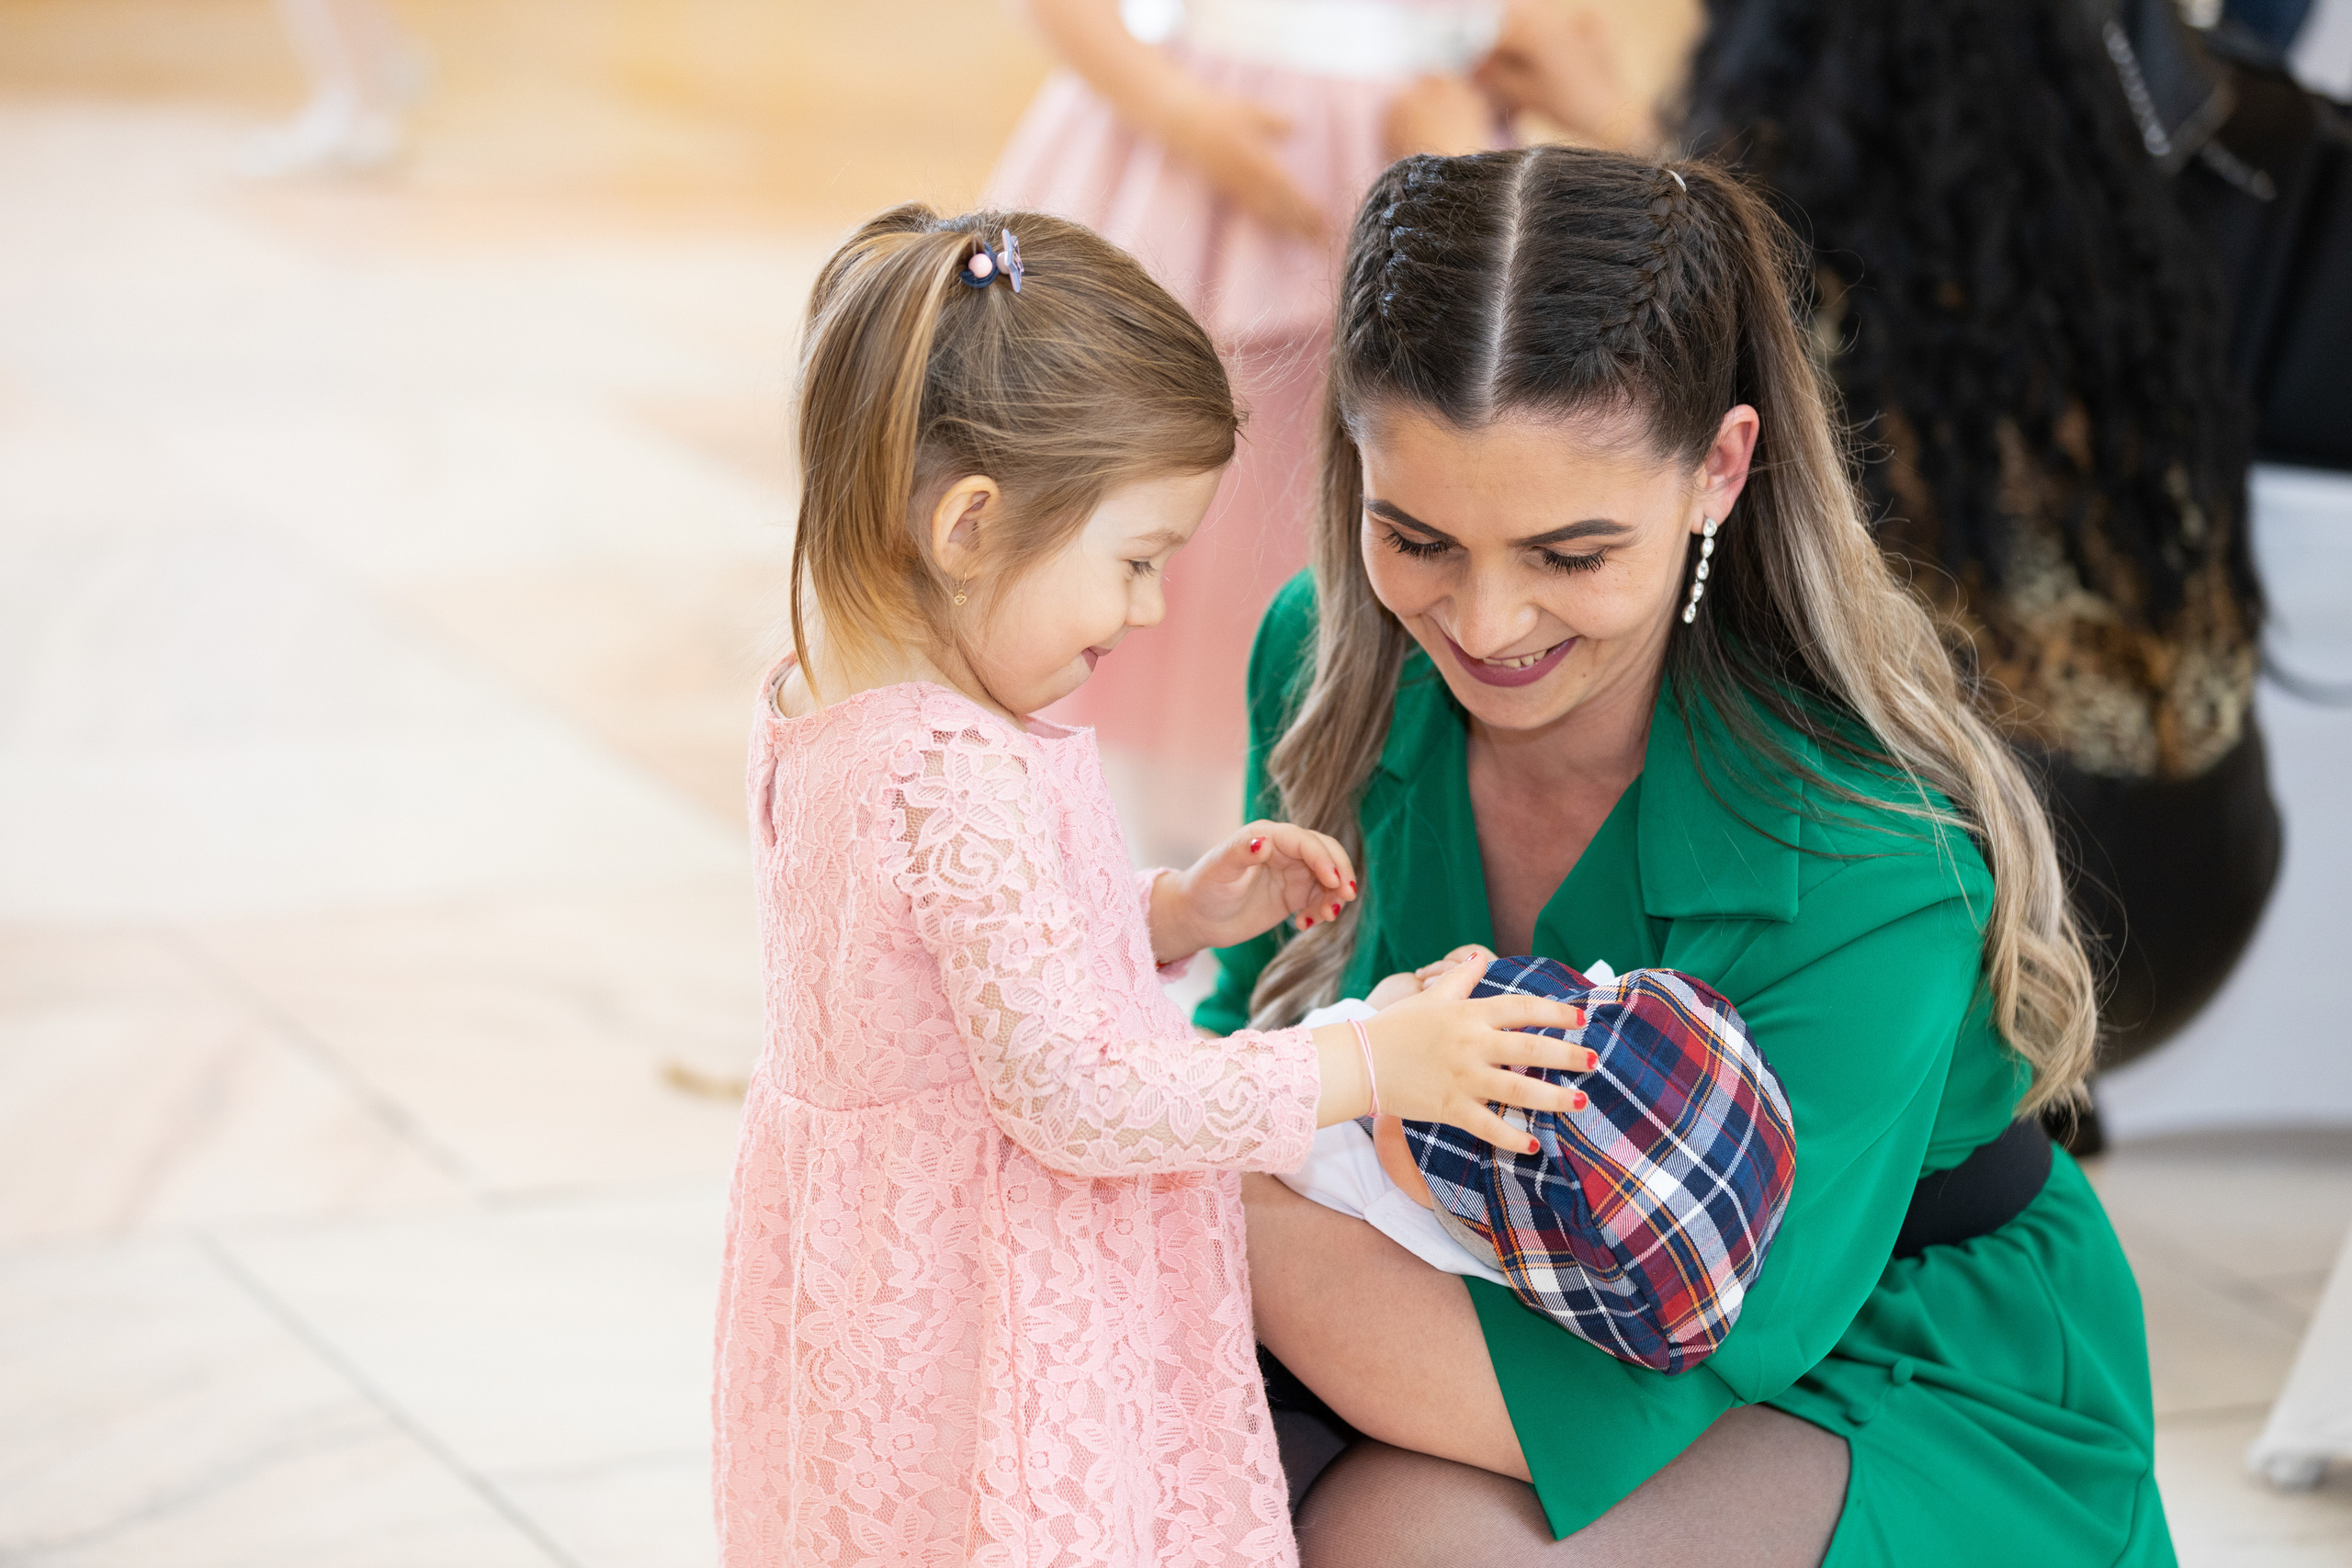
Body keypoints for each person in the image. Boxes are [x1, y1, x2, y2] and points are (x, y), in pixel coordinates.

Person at [1204, 146, 2173, 1564]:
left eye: (1571, 553)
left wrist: (1187, 1177)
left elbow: (1623, 1383)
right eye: (1416, 534)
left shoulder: (1873, 854)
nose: (1484, 620)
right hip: (1449, 1269)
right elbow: (1244, 1025)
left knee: (1401, 1541)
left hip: (1868, 1356)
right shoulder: (1324, 656)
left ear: (1720, 466)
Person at [709, 203, 1595, 1567]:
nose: (1149, 612)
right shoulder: (959, 771)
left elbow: (925, 978)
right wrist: (1369, 1059)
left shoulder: (828, 705)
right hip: (998, 1289)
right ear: (968, 525)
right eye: (1134, 561)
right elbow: (1080, 1097)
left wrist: (1168, 914)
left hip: (881, 1276)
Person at [1468, 0, 2280, 1139]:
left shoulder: (1801, 265)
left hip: (2017, 896)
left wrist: (1607, 131)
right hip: (2203, 870)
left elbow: (1721, 292)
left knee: (1635, 633)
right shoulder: (2112, 240)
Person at [985, 0, 1509, 863]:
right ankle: (1145, 848)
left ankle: (1330, 812)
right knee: (1194, 512)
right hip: (1203, 146)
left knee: (1349, 503)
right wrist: (1181, 113)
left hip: (1418, 145)